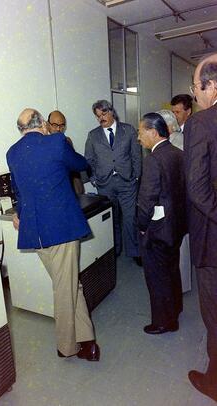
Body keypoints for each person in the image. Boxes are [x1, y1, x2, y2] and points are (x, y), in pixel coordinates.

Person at [7, 108, 100, 361]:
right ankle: (66, 346)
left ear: (21, 129)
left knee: (68, 283)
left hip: (35, 232)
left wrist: (18, 211)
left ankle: (88, 341)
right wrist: (59, 142)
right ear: (44, 124)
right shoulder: (56, 142)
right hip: (61, 229)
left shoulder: (12, 152)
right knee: (64, 286)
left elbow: (18, 188)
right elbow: (81, 165)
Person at [184, 54, 217, 402]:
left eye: (196, 88)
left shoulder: (201, 123)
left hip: (213, 240)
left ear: (211, 86)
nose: (196, 95)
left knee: (214, 313)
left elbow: (196, 188)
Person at [137, 113, 186, 335]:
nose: (139, 137)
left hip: (157, 229)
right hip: (174, 226)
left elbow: (146, 200)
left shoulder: (153, 160)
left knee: (157, 277)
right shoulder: (178, 153)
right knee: (171, 270)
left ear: (153, 132)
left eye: (141, 132)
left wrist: (141, 225)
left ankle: (164, 322)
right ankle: (175, 310)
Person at [84, 100, 142, 264]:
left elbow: (136, 155)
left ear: (111, 112)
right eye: (97, 116)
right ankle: (114, 249)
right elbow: (89, 159)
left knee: (130, 218)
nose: (100, 118)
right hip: (105, 184)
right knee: (112, 219)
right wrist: (93, 179)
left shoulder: (128, 130)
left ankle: (134, 251)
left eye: (103, 114)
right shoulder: (93, 135)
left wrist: (137, 176)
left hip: (127, 182)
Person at [157, 109, 191, 293]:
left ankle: (180, 285)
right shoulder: (177, 139)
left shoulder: (176, 142)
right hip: (179, 201)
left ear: (168, 126)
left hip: (177, 201)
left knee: (179, 246)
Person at [47, 110, 84, 195]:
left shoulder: (67, 141)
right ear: (48, 124)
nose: (58, 129)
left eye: (62, 126)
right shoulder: (43, 143)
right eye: (55, 125)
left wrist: (79, 189)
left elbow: (74, 168)